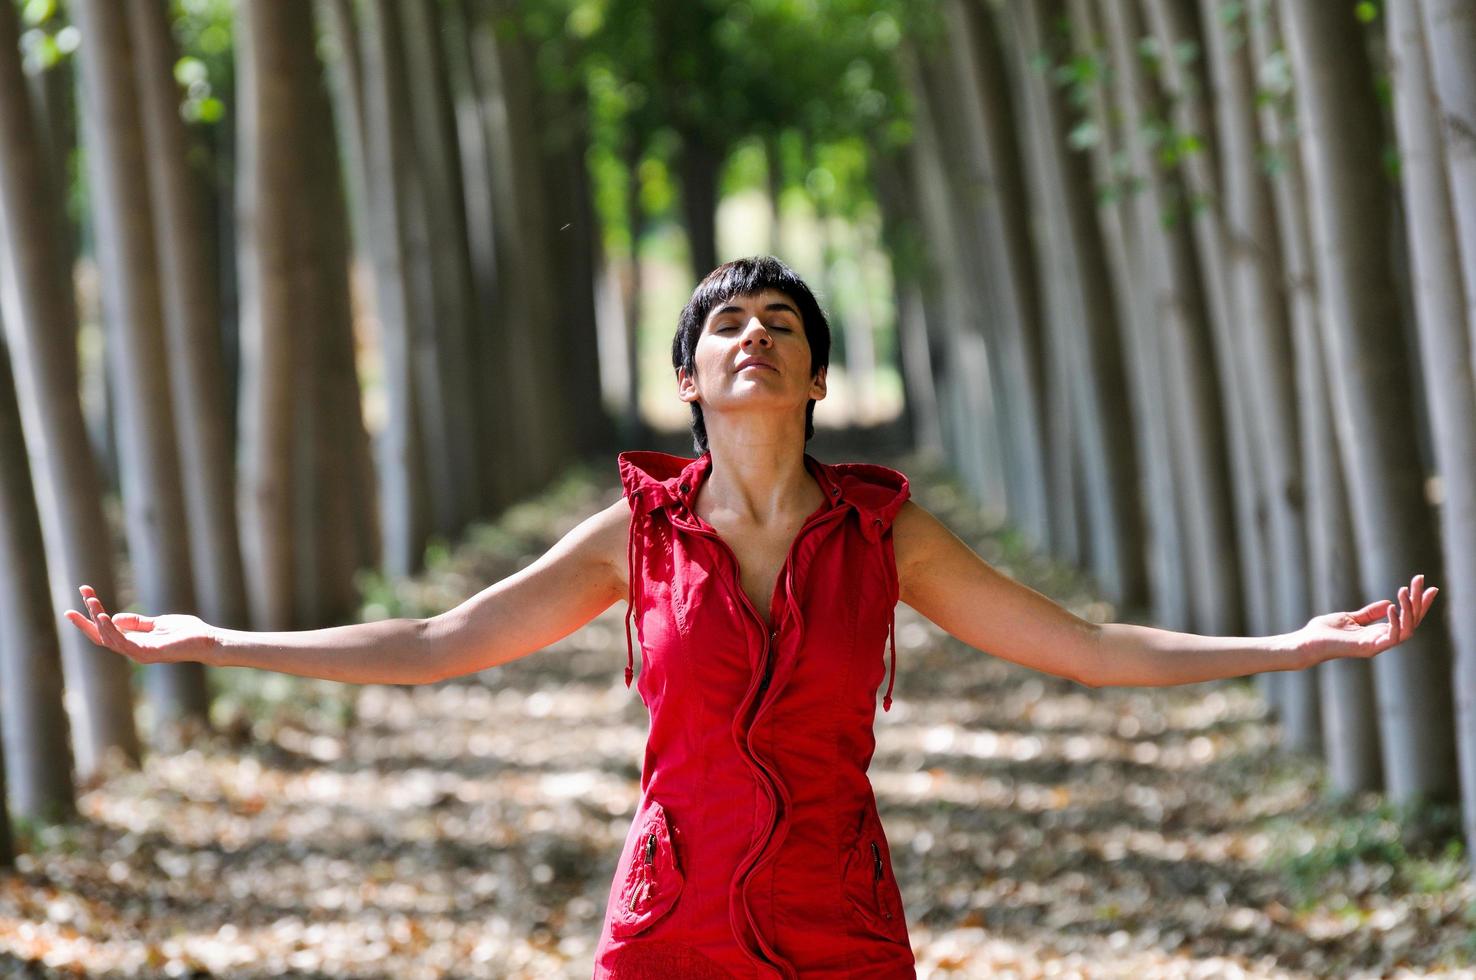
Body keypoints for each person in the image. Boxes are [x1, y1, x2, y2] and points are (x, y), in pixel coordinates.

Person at [68, 255, 1437, 979]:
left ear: (818, 379)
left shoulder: (886, 533)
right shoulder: (634, 538)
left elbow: (1082, 649)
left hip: (842, 918)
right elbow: (435, 647)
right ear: (688, 381)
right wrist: (220, 642)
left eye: (782, 322)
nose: (753, 335)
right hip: (669, 924)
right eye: (726, 325)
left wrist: (1294, 646)